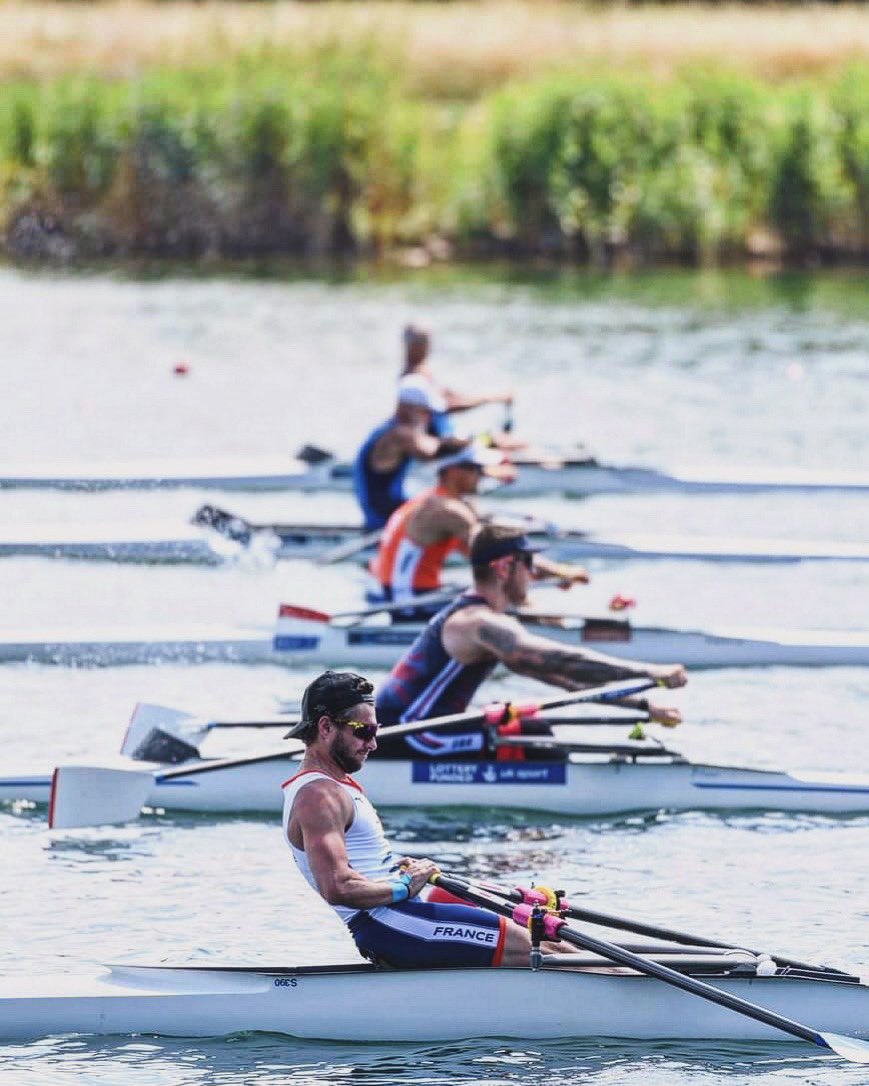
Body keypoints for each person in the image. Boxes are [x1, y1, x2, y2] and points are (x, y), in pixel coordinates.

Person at [281, 669, 578, 969]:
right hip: (390, 925)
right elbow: (338, 887)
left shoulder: (333, 787)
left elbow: (358, 869)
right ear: (325, 727)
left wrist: (401, 874)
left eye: (376, 731)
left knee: (553, 939)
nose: (373, 744)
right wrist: (404, 886)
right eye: (363, 731)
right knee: (550, 953)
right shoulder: (318, 796)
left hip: (404, 914)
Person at [374, 524, 686, 759]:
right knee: (533, 737)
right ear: (503, 567)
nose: (533, 575)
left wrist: (642, 705)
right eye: (528, 564)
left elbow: (561, 677)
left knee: (529, 724)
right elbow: (562, 661)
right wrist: (650, 674)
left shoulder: (484, 619)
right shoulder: (477, 623)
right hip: (409, 736)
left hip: (409, 731)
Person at [369, 442, 590, 612]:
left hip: (408, 595)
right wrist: (562, 571)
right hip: (411, 603)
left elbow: (485, 561)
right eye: (476, 468)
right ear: (453, 471)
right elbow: (496, 549)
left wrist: (539, 577)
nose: (482, 474)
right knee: (510, 602)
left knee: (503, 589)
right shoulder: (446, 510)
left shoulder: (436, 501)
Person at [352, 377, 470, 531]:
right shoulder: (399, 436)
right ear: (406, 408)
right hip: (383, 520)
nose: (429, 417)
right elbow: (437, 452)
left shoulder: (390, 428)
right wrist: (486, 441)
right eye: (425, 411)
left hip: (392, 510)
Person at [400, 323, 514, 438]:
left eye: (428, 341)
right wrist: (490, 398)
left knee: (508, 441)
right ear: (411, 345)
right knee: (507, 442)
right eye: (424, 341)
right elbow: (445, 406)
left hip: (449, 435)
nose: (429, 346)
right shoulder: (412, 378)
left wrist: (494, 396)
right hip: (438, 444)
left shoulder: (424, 372)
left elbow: (450, 396)